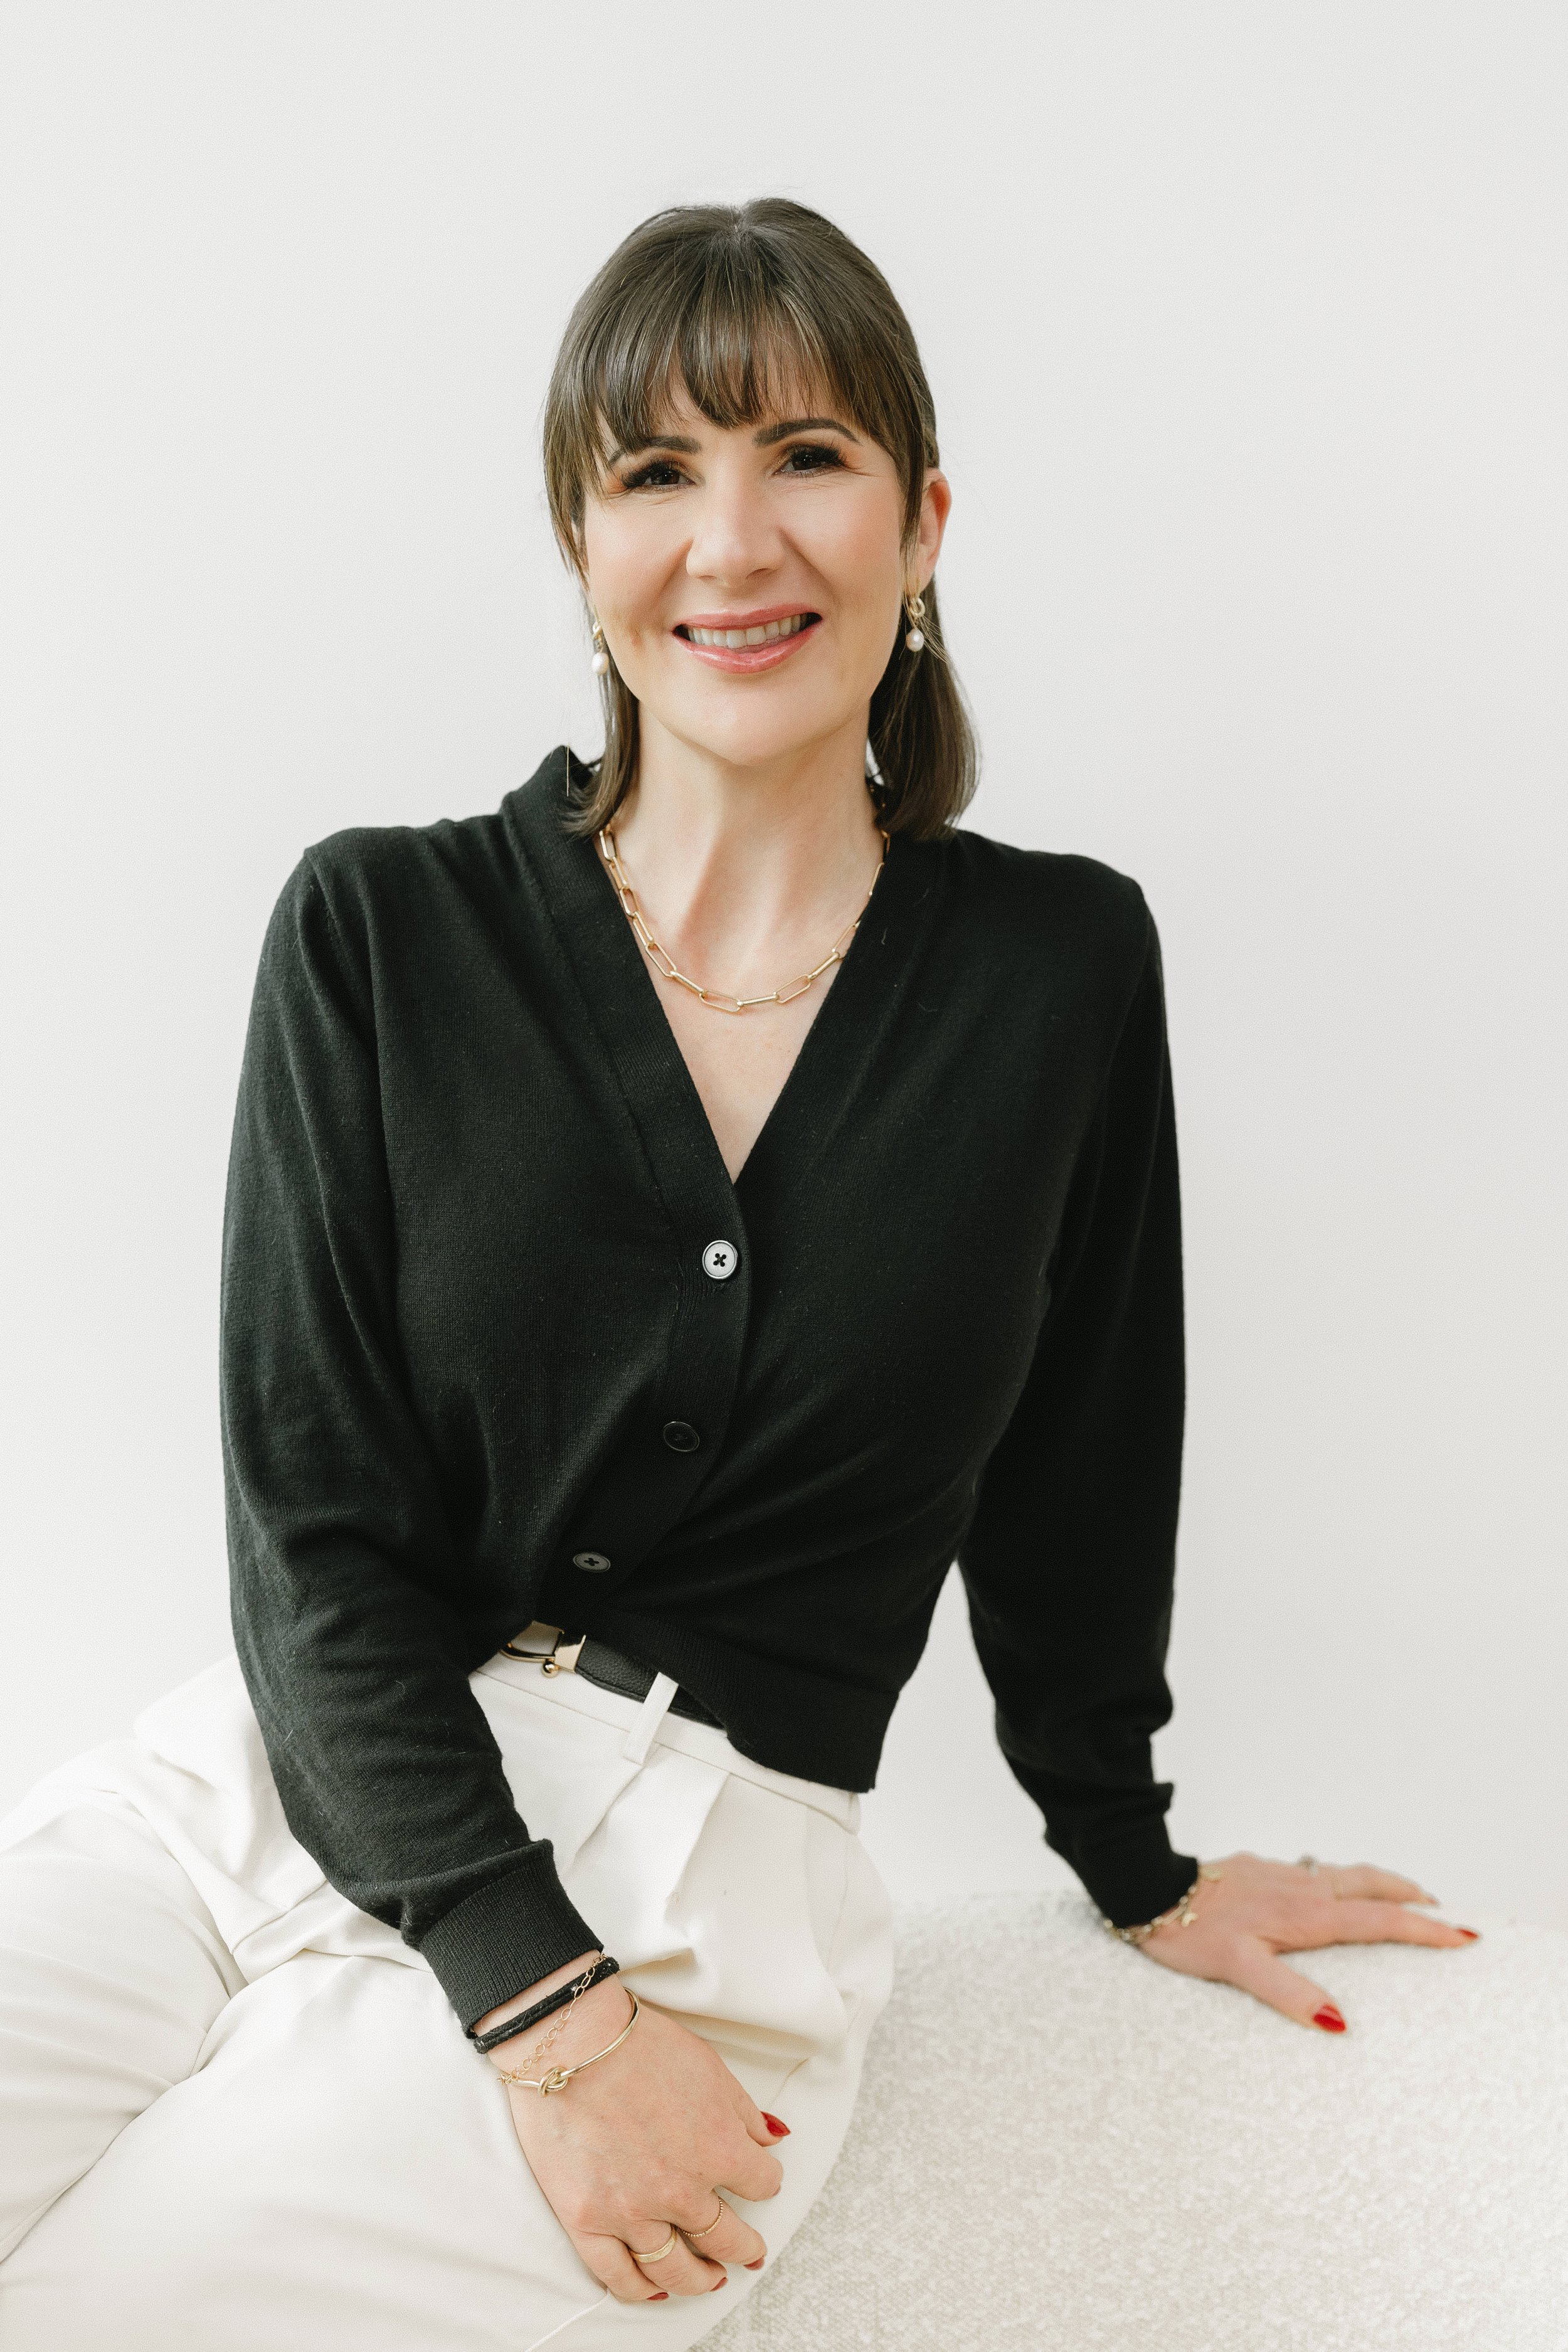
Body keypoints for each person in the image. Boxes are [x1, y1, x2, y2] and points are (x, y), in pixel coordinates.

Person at [0, 198, 1476, 2351]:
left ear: (922, 518)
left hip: (694, 1894)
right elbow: (306, 1524)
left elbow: (1084, 1460)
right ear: (580, 546)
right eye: (654, 473)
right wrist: (534, 2000)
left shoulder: (1055, 969)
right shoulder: (380, 929)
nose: (731, 542)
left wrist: (1131, 1854)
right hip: (259, 1794)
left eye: (804, 456)